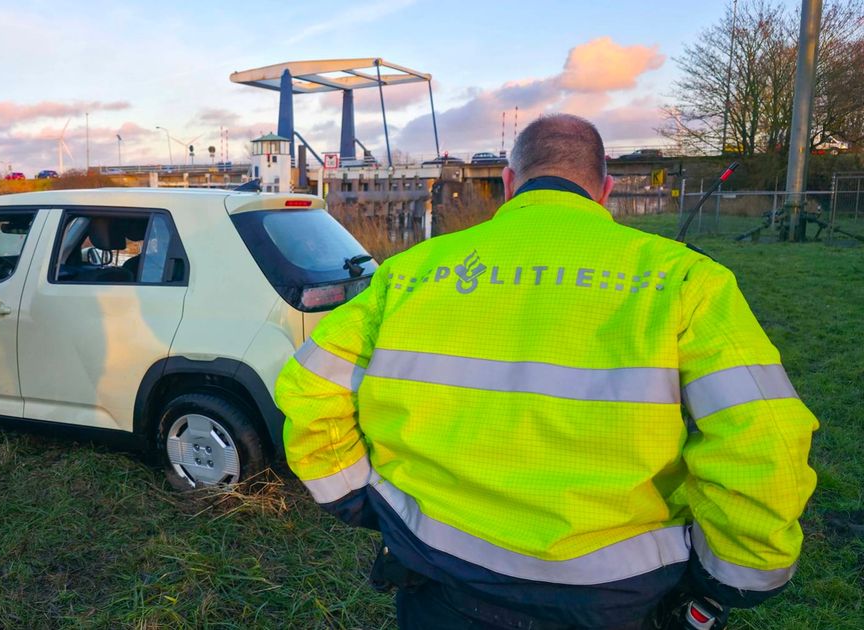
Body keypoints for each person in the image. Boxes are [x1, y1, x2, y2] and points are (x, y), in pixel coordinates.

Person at [275, 114, 817, 629]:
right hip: (614, 593)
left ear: (509, 184)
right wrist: (733, 575)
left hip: (439, 573)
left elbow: (309, 384)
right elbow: (762, 435)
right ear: (604, 191)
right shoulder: (685, 281)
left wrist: (351, 494)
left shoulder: (409, 274)